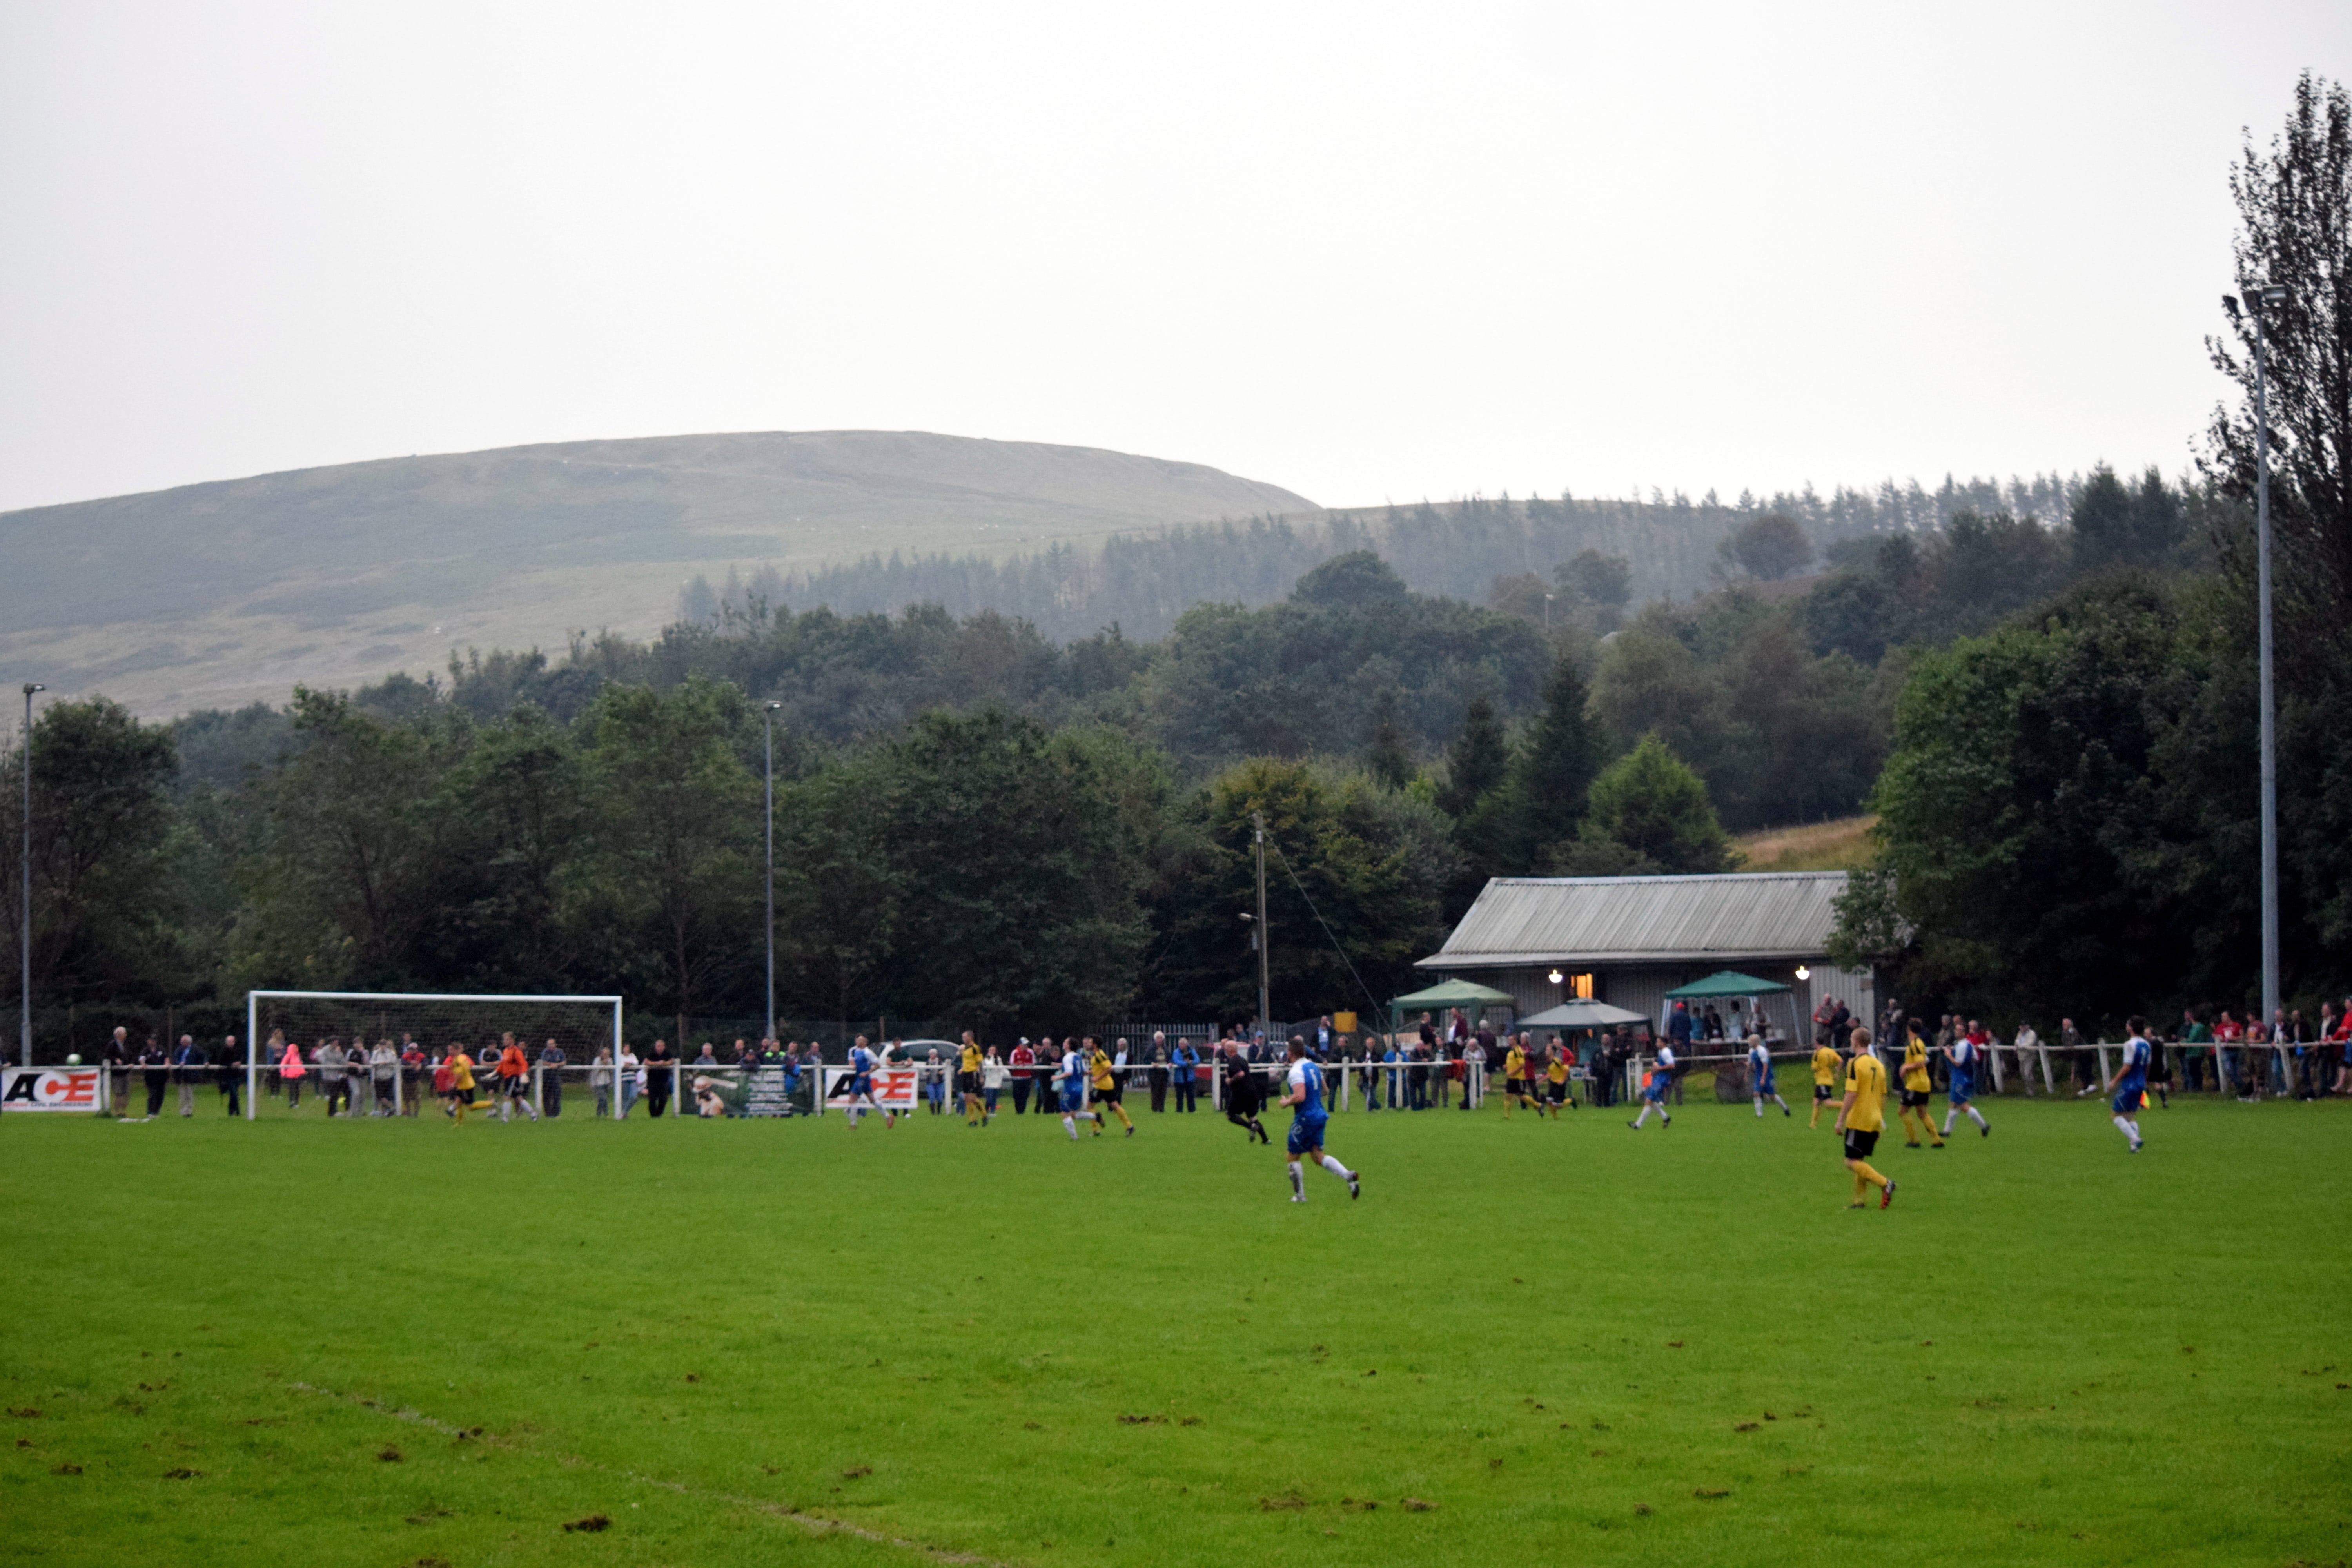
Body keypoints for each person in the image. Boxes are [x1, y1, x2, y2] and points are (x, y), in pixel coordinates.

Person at [1279, 1036, 1359, 1203]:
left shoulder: (1296, 1071)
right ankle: (1348, 1176)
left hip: (1306, 1118)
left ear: (1290, 1053)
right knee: (1317, 1156)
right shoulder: (1313, 1067)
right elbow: (1325, 1091)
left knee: (1292, 1156)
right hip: (1320, 1115)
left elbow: (1300, 1096)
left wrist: (1287, 1102)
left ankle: (1300, 1197)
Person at [1835, 1027, 1896, 1208]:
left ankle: (1886, 1183)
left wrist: (1840, 1119)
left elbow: (1851, 1093)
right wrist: (1879, 1121)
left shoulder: (1855, 1063)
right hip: (1874, 1118)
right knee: (1859, 1160)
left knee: (1851, 1161)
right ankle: (1859, 1201)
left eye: (1852, 1040)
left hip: (1859, 1118)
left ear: (1856, 1042)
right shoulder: (1879, 1065)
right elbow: (1884, 1096)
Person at [2107, 1016, 2152, 1153]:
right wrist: (2144, 1081)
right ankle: (2134, 1147)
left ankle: (2135, 1139)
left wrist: (2114, 1081)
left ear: (2130, 1028)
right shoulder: (2146, 1044)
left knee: (2115, 1116)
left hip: (2129, 1085)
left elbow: (2127, 1067)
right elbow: (2147, 1066)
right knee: (2129, 1116)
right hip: (2140, 1084)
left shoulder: (2129, 1045)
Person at [1897, 1020, 1944, 1149]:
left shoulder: (1916, 1044)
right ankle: (1936, 1140)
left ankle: (1914, 1141)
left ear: (1909, 1029)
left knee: (1903, 1111)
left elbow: (1921, 1062)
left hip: (1916, 1084)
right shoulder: (1918, 1043)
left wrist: (1906, 1067)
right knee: (1922, 1113)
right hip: (1922, 1083)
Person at [1941, 1021, 1992, 1138]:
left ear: (1964, 1032)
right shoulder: (1967, 1044)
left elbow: (1958, 1063)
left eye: (1958, 1030)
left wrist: (1949, 1054)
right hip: (1962, 1076)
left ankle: (1984, 1126)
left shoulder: (1963, 1045)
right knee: (1954, 1104)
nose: (1956, 1031)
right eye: (1956, 1029)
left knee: (1962, 1105)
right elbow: (1976, 1058)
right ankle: (1947, 1131)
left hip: (1960, 1077)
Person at [1221, 1038, 1267, 1143]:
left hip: (1241, 1094)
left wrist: (1230, 1080)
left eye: (1226, 1049)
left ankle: (1251, 1127)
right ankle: (1266, 1139)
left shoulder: (1233, 1061)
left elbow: (1241, 1074)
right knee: (1252, 1117)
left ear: (1230, 1050)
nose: (1225, 1051)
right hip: (1251, 1092)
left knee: (1230, 1114)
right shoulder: (1242, 1060)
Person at [1087, 1037, 1135, 1136]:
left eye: (1090, 1042)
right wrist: (1089, 1072)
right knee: (1115, 1106)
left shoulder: (1100, 1054)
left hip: (1101, 1086)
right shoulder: (1097, 1055)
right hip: (1107, 1085)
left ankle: (1096, 1128)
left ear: (1095, 1045)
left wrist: (1097, 1078)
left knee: (1089, 1107)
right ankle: (1129, 1126)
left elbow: (1109, 1068)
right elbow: (1099, 1068)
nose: (1088, 1044)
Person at [844, 1037, 892, 1129]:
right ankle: (888, 1117)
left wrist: (867, 1073)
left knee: (852, 1099)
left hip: (863, 1079)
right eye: (857, 1040)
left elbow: (878, 1065)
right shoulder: (857, 1051)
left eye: (860, 1040)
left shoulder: (867, 1052)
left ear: (865, 1043)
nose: (858, 1041)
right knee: (873, 1100)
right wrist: (854, 1067)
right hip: (861, 1078)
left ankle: (853, 1125)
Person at [1056, 1038, 1098, 1140]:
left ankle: (1075, 1138)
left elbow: (1069, 1073)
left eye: (1065, 1042)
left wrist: (1056, 1078)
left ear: (1069, 1046)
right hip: (1080, 1088)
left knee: (1064, 1114)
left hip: (1070, 1089)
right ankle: (1095, 1116)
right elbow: (1084, 1072)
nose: (1064, 1043)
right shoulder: (1078, 1057)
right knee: (1073, 1114)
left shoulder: (1067, 1058)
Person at [1628, 1042, 1675, 1130]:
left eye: (1658, 1041)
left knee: (1649, 1100)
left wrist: (1658, 1068)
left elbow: (1672, 1066)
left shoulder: (1666, 1053)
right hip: (1658, 1079)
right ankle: (1666, 1117)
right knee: (1651, 1101)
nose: (1657, 1043)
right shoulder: (1662, 1053)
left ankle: (1638, 1125)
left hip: (1661, 1081)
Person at [495, 1034, 539, 1122]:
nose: (504, 1041)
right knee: (518, 1098)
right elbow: (503, 1064)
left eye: (507, 1039)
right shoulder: (505, 1051)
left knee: (506, 1096)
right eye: (504, 1039)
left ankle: (505, 1118)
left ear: (512, 1040)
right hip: (507, 1078)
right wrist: (495, 1072)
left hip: (513, 1078)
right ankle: (533, 1114)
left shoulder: (516, 1051)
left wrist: (524, 1074)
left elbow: (524, 1063)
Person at [1748, 1032, 1788, 1118]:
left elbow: (1766, 1065)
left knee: (1772, 1097)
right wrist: (1746, 1074)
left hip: (1767, 1076)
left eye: (1751, 1041)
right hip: (1759, 1075)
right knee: (1756, 1093)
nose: (1749, 1043)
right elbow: (1750, 1063)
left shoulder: (1762, 1051)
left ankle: (1785, 1108)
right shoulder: (1751, 1051)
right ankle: (1759, 1115)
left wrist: (1763, 1078)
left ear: (1756, 1042)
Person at [1808, 1031, 1841, 1129]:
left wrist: (1816, 1067)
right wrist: (1837, 1073)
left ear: (1817, 1043)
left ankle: (1847, 1106)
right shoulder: (1830, 1051)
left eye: (1815, 1042)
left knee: (1828, 1104)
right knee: (1816, 1102)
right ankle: (1813, 1124)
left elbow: (1814, 1068)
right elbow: (1841, 1061)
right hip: (1828, 1080)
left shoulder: (1817, 1053)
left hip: (1823, 1081)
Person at [171, 1034, 205, 1117]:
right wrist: (179, 1063)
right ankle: (183, 1112)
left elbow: (203, 1056)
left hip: (191, 1076)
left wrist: (205, 1063)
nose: (183, 1044)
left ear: (188, 1043)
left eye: (184, 1042)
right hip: (181, 1075)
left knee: (190, 1094)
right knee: (182, 1095)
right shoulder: (179, 1049)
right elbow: (175, 1059)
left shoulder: (196, 1049)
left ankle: (189, 1112)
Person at [315, 1037, 350, 1117]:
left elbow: (343, 1063)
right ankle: (332, 1112)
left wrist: (343, 1069)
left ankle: (340, 1110)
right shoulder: (325, 1051)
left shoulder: (337, 1052)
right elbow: (324, 1062)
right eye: (335, 1043)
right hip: (328, 1076)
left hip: (337, 1077)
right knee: (334, 1093)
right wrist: (335, 1066)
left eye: (337, 1043)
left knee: (341, 1093)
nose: (336, 1045)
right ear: (331, 1043)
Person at [444, 1043, 476, 1123]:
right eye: (449, 1050)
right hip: (454, 1082)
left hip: (461, 1083)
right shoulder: (450, 1059)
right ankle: (454, 1112)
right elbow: (446, 1066)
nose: (449, 1052)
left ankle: (452, 1110)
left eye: (451, 1050)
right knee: (460, 1099)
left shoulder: (463, 1058)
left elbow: (471, 1064)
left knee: (462, 1100)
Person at [1501, 1035, 1531, 1120]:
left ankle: (1537, 1105)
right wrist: (1507, 1066)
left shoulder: (1518, 1051)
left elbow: (1522, 1065)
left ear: (1515, 1041)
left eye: (1510, 1040)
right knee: (1508, 1096)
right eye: (1508, 1040)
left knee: (1521, 1097)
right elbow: (1514, 1063)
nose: (1509, 1041)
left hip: (1518, 1078)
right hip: (1511, 1078)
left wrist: (1512, 1072)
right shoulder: (1511, 1051)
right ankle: (1507, 1115)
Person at [1546, 1036, 1578, 1114]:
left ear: (1560, 1043)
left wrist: (1566, 1065)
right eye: (1553, 1042)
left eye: (1555, 1042)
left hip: (1562, 1073)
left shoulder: (1565, 1051)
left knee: (1562, 1089)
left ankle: (1568, 1101)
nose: (1554, 1044)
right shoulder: (1552, 1052)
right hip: (1555, 1074)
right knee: (1554, 1093)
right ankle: (1563, 1101)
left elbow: (1572, 1060)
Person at [644, 1040, 675, 1118]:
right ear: (656, 1047)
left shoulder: (667, 1053)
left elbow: (672, 1061)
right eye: (659, 1046)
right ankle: (653, 1116)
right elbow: (646, 1062)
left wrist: (664, 1063)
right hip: (652, 1080)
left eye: (662, 1046)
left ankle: (659, 1114)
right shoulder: (652, 1053)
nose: (660, 1048)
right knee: (652, 1099)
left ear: (664, 1047)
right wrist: (657, 1064)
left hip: (664, 1080)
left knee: (664, 1098)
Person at [538, 1037, 566, 1117]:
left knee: (557, 1095)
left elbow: (564, 1062)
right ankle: (548, 1114)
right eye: (549, 1044)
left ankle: (556, 1114)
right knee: (546, 1096)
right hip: (546, 1077)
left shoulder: (560, 1052)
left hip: (555, 1076)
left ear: (555, 1045)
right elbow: (543, 1062)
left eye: (552, 1044)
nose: (550, 1046)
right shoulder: (545, 1052)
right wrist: (551, 1065)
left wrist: (557, 1065)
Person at [1008, 1038, 1036, 1115]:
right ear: (1020, 1045)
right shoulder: (1015, 1052)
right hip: (1016, 1078)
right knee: (1017, 1095)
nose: (1026, 1046)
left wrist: (1023, 1063)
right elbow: (1012, 1063)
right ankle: (1018, 1110)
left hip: (1027, 1077)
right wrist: (1020, 1063)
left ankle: (1022, 1110)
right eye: (1024, 1045)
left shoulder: (1030, 1052)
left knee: (1025, 1095)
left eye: (1027, 1044)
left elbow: (1033, 1063)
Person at [1171, 1036, 1199, 1113]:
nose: (1180, 1045)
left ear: (1186, 1045)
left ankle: (1192, 1110)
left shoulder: (1192, 1051)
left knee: (1191, 1095)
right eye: (1180, 1044)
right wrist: (1186, 1063)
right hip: (1180, 1078)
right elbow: (1176, 1061)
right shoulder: (1176, 1052)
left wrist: (1192, 1062)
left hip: (1190, 1077)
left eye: (1182, 1044)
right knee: (1179, 1096)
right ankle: (1179, 1111)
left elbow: (1197, 1059)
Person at [217, 1034, 242, 1117]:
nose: (232, 1043)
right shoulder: (224, 1051)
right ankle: (235, 1112)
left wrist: (239, 1063)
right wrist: (231, 1065)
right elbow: (221, 1062)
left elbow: (240, 1059)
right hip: (228, 1076)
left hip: (236, 1075)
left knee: (235, 1094)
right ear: (227, 1042)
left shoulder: (237, 1050)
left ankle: (233, 1111)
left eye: (233, 1041)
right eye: (230, 1042)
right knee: (234, 1094)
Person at [981, 1046, 1007, 1121]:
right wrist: (992, 1057)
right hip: (990, 1082)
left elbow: (1001, 1069)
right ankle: (985, 1112)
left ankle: (992, 1112)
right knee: (989, 1098)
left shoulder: (999, 1059)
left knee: (995, 1098)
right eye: (990, 1050)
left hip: (997, 1081)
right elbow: (990, 1065)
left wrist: (1001, 1078)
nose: (991, 1051)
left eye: (993, 1050)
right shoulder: (987, 1059)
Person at [1147, 1032, 1170, 1112]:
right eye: (1158, 1038)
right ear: (1155, 1039)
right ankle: (1155, 1108)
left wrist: (1170, 1063)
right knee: (1155, 1091)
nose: (1159, 1040)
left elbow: (1169, 1058)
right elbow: (1146, 1060)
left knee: (1163, 1091)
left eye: (1161, 1038)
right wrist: (1152, 1063)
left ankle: (1161, 1108)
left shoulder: (1166, 1049)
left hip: (1164, 1073)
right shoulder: (1151, 1049)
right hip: (1154, 1074)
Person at [590, 1046, 614, 1117]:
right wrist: (603, 1065)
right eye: (605, 1054)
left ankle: (602, 1114)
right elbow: (595, 1072)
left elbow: (611, 1071)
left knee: (604, 1099)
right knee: (603, 1098)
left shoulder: (610, 1060)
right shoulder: (597, 1060)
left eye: (607, 1054)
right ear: (601, 1054)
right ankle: (603, 1113)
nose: (606, 1055)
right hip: (598, 1083)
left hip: (607, 1082)